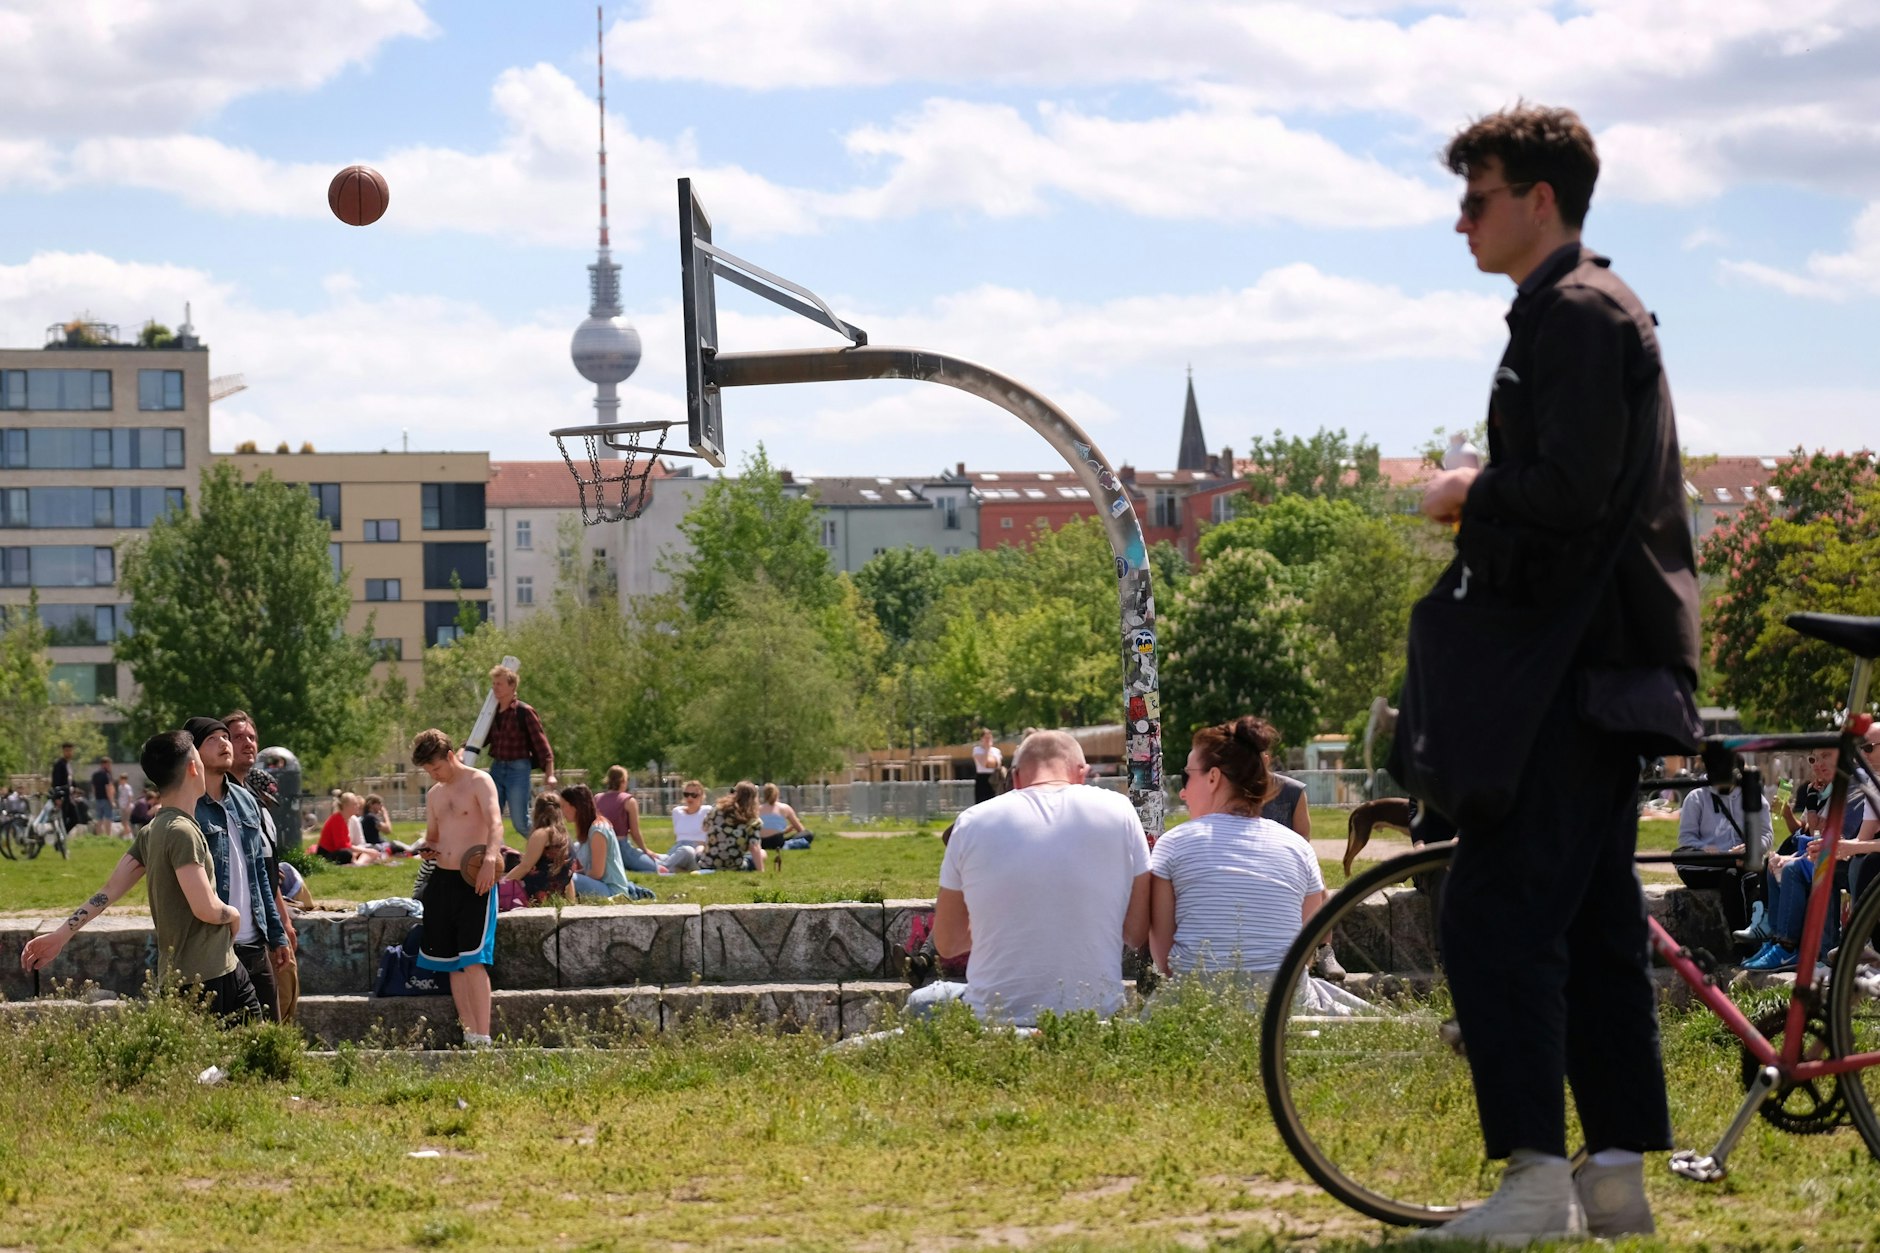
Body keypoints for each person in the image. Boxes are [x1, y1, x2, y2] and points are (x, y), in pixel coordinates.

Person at [1403, 104, 1702, 1245]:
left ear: (1539, 199)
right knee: (1587, 921)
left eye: (1474, 197)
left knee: (1494, 911)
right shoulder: (1593, 308)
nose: (1459, 220)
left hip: (1569, 667)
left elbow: (1569, 493)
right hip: (1605, 661)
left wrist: (1465, 491)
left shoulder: (1573, 312)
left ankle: (1532, 1175)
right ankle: (1612, 1173)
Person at [911, 729, 1151, 1025]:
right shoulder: (1120, 811)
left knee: (921, 1001)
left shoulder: (971, 822)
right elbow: (1137, 932)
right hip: (1093, 1018)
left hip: (996, 1020)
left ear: (1016, 779)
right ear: (1082, 773)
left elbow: (947, 943)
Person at [22, 732, 261, 1022]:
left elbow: (109, 890)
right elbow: (206, 908)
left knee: (221, 1064)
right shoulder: (182, 832)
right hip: (211, 977)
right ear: (193, 768)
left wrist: (62, 935)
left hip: (187, 978)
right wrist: (232, 914)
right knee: (241, 1061)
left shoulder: (153, 830)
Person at [1149, 718, 1326, 984]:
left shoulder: (1173, 845)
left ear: (1213, 777)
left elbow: (1165, 963)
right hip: (1283, 1006)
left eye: (1188, 775)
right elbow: (1307, 952)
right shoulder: (1299, 849)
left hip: (1195, 1002)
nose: (1183, 794)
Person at [186, 716, 291, 1022]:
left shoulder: (247, 801)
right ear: (193, 752)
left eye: (225, 738)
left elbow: (259, 874)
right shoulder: (187, 805)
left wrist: (277, 933)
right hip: (214, 949)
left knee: (270, 1036)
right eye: (214, 739)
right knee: (220, 1046)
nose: (226, 744)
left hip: (255, 945)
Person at [409, 728, 504, 1048]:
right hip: (442, 881)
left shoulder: (479, 781)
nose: (433, 775)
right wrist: (427, 846)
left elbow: (495, 822)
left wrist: (491, 858)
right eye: (428, 771)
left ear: (450, 756)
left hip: (473, 879)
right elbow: (433, 834)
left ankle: (484, 1036)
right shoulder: (435, 793)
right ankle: (469, 1035)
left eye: (436, 767)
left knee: (473, 960)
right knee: (451, 963)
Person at [225, 710, 301, 1022]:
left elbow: (265, 874)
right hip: (237, 937)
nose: (247, 743)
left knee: (281, 1007)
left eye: (252, 737)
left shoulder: (259, 807)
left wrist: (283, 922)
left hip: (266, 928)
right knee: (247, 1021)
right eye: (237, 737)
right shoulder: (218, 804)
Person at [1674, 774, 1773, 938]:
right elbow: (1686, 838)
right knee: (1679, 857)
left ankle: (1744, 945)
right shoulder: (1696, 797)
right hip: (1707, 865)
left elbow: (1765, 835)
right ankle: (1733, 861)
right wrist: (1705, 848)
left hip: (1741, 866)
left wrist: (1752, 848)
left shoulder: (1754, 796)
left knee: (1732, 876)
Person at [484, 664, 556, 836]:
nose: (495, 687)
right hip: (497, 769)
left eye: (499, 684)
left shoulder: (524, 712)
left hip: (518, 770)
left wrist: (550, 773)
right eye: (493, 684)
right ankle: (497, 859)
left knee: (521, 823)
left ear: (512, 686)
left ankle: (549, 851)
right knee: (492, 820)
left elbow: (542, 745)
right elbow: (480, 738)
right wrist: (463, 749)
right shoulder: (491, 713)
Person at [560, 783, 649, 900]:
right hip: (600, 885)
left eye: (563, 806)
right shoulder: (588, 830)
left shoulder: (598, 830)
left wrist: (572, 876)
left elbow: (597, 873)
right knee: (564, 877)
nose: (561, 811)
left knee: (567, 880)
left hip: (612, 890)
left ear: (575, 806)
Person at [504, 792, 576, 905]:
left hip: (535, 896)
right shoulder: (566, 838)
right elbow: (569, 877)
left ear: (537, 811)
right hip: (556, 897)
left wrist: (499, 886)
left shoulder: (542, 834)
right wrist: (572, 903)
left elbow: (525, 867)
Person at [595, 766, 659, 873]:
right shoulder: (629, 801)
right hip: (621, 848)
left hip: (600, 847)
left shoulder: (597, 798)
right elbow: (635, 832)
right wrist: (645, 850)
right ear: (623, 781)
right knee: (653, 867)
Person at [699, 781, 765, 872]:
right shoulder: (753, 821)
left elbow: (704, 828)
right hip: (734, 866)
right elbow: (754, 848)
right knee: (762, 853)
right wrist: (761, 870)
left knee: (699, 850)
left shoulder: (716, 810)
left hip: (708, 863)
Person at [758, 783, 813, 855]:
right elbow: (801, 830)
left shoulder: (757, 809)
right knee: (808, 834)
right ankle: (788, 845)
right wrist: (788, 829)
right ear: (777, 793)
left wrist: (785, 831)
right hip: (778, 842)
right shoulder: (785, 808)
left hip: (762, 842)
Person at [667, 780, 709, 872]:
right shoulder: (677, 812)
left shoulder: (707, 811)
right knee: (683, 851)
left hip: (697, 849)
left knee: (688, 851)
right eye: (686, 794)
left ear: (701, 796)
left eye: (694, 795)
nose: (690, 798)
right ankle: (669, 867)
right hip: (678, 848)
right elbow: (677, 836)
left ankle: (663, 867)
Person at [50, 741, 78, 832]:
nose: (69, 753)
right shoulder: (59, 764)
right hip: (62, 796)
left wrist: (75, 788)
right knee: (63, 818)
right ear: (63, 751)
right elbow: (56, 782)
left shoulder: (68, 764)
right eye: (66, 751)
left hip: (68, 796)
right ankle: (60, 840)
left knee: (75, 819)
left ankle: (62, 836)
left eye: (70, 751)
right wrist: (57, 797)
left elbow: (70, 780)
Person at [971, 729, 1003, 805]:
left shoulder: (996, 751)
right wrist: (986, 750)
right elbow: (985, 764)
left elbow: (996, 764)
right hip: (982, 779)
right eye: (986, 738)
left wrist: (988, 758)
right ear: (981, 739)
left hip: (994, 778)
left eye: (989, 738)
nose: (988, 740)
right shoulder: (977, 750)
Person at [90, 756, 115, 835]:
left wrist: (96, 797)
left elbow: (93, 788)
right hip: (106, 799)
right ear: (105, 764)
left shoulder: (95, 775)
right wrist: (112, 801)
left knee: (99, 819)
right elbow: (108, 788)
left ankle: (99, 836)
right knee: (108, 818)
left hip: (98, 799)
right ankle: (108, 835)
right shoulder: (106, 774)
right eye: (109, 764)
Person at [114, 773, 133, 839]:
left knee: (126, 822)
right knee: (123, 822)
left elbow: (130, 797)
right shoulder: (120, 787)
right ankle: (126, 834)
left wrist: (127, 806)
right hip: (122, 806)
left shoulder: (127, 787)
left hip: (126, 807)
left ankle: (129, 835)